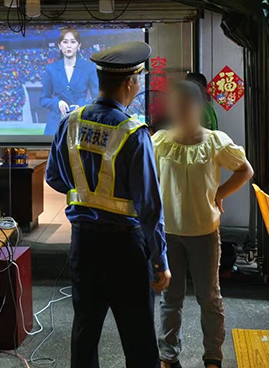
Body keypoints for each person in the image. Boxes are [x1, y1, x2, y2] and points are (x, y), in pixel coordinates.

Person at [46, 41, 170, 368]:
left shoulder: (70, 123)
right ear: (130, 83)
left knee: (85, 333)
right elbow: (149, 207)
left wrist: (86, 196)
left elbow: (54, 178)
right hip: (126, 248)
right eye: (138, 80)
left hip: (84, 243)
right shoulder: (134, 132)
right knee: (139, 337)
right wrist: (160, 259)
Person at [153, 81, 254, 368]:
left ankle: (213, 356)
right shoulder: (159, 141)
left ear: (199, 107)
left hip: (204, 232)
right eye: (176, 105)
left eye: (186, 105)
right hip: (168, 234)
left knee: (209, 298)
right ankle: (168, 356)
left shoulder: (214, 142)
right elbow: (151, 182)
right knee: (170, 298)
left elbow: (245, 170)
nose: (180, 110)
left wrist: (219, 194)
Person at [40, 28, 98, 137]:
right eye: (65, 42)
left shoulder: (89, 68)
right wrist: (57, 103)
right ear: (59, 46)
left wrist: (81, 107)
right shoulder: (51, 69)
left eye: (73, 42)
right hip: (55, 125)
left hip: (80, 123)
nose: (69, 46)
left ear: (79, 46)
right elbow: (44, 99)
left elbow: (97, 98)